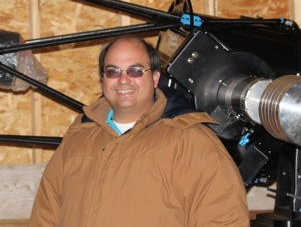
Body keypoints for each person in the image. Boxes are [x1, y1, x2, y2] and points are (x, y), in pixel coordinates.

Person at [29, 36, 250, 227]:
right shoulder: (77, 140)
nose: (123, 80)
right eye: (112, 71)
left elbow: (224, 219)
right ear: (103, 80)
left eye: (135, 71)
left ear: (155, 78)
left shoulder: (192, 142)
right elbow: (45, 216)